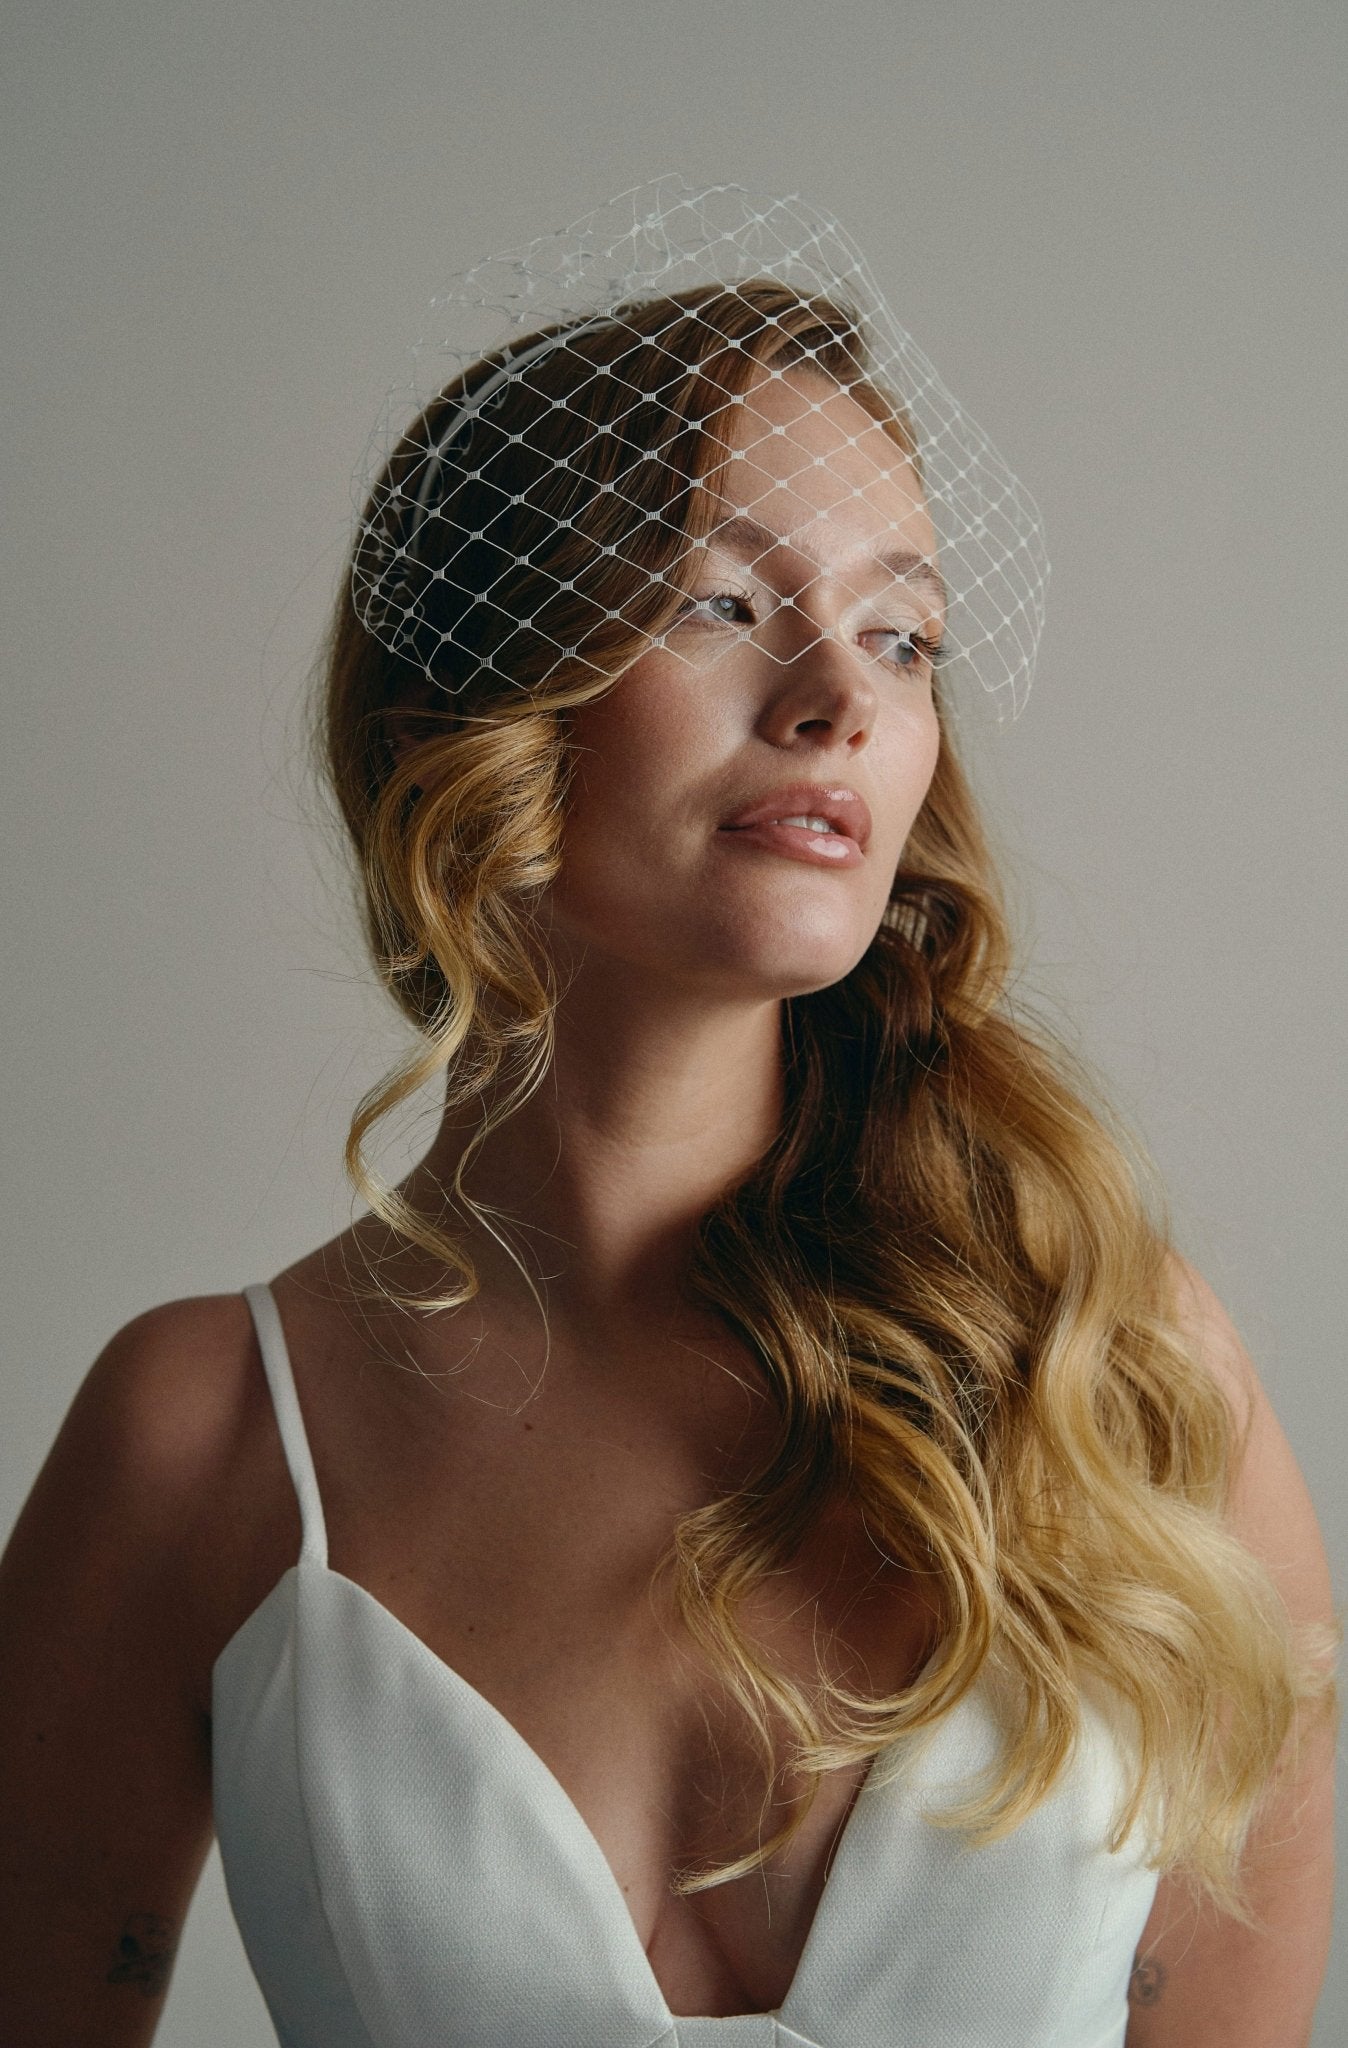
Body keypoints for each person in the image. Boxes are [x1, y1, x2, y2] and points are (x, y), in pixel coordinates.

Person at [0, 188, 1338, 2048]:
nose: (837, 707)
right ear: (468, 714)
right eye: (724, 602)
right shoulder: (208, 1445)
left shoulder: (1112, 1373)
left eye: (903, 636)